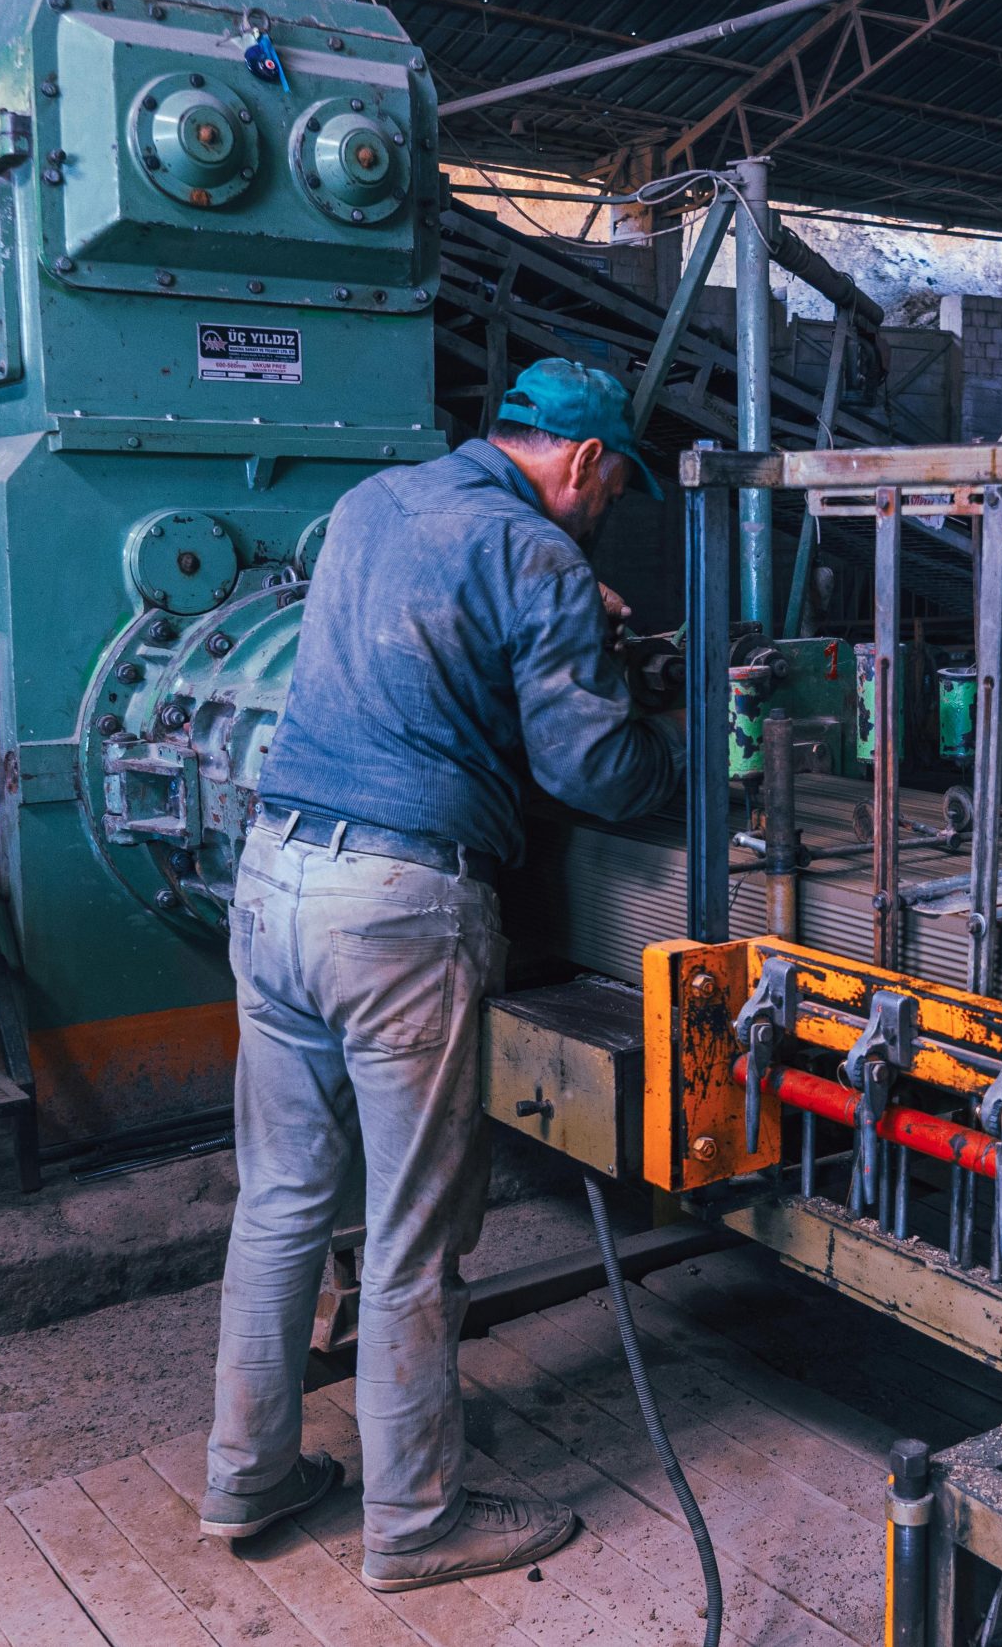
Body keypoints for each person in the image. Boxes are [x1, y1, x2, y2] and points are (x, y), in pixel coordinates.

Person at [197, 359, 682, 1590]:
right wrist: (665, 747)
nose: (606, 506)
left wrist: (565, 616)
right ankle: (413, 1528)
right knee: (412, 1235)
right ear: (581, 462)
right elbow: (590, 772)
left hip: (275, 877)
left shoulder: (372, 506)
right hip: (401, 910)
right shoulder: (541, 560)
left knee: (282, 1201)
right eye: (613, 484)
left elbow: (425, 638)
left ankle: (246, 1480)